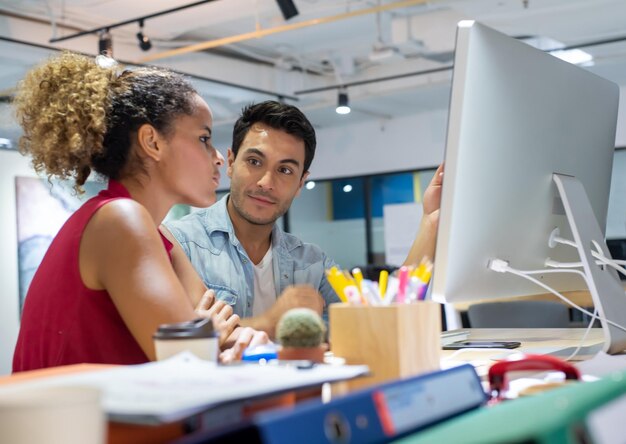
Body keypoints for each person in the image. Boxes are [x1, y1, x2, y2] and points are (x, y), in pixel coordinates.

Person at [12, 52, 266, 372]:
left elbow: (227, 333)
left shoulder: (154, 236)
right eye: (203, 138)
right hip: (74, 420)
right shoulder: (120, 219)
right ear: (152, 142)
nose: (217, 157)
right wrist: (206, 335)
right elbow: (189, 367)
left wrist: (232, 338)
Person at [163, 100, 443, 336]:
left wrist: (430, 220)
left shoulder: (311, 263)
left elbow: (381, 320)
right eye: (254, 162)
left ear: (300, 183)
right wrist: (268, 324)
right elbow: (168, 343)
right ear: (232, 162)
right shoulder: (179, 244)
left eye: (285, 170)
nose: (266, 182)